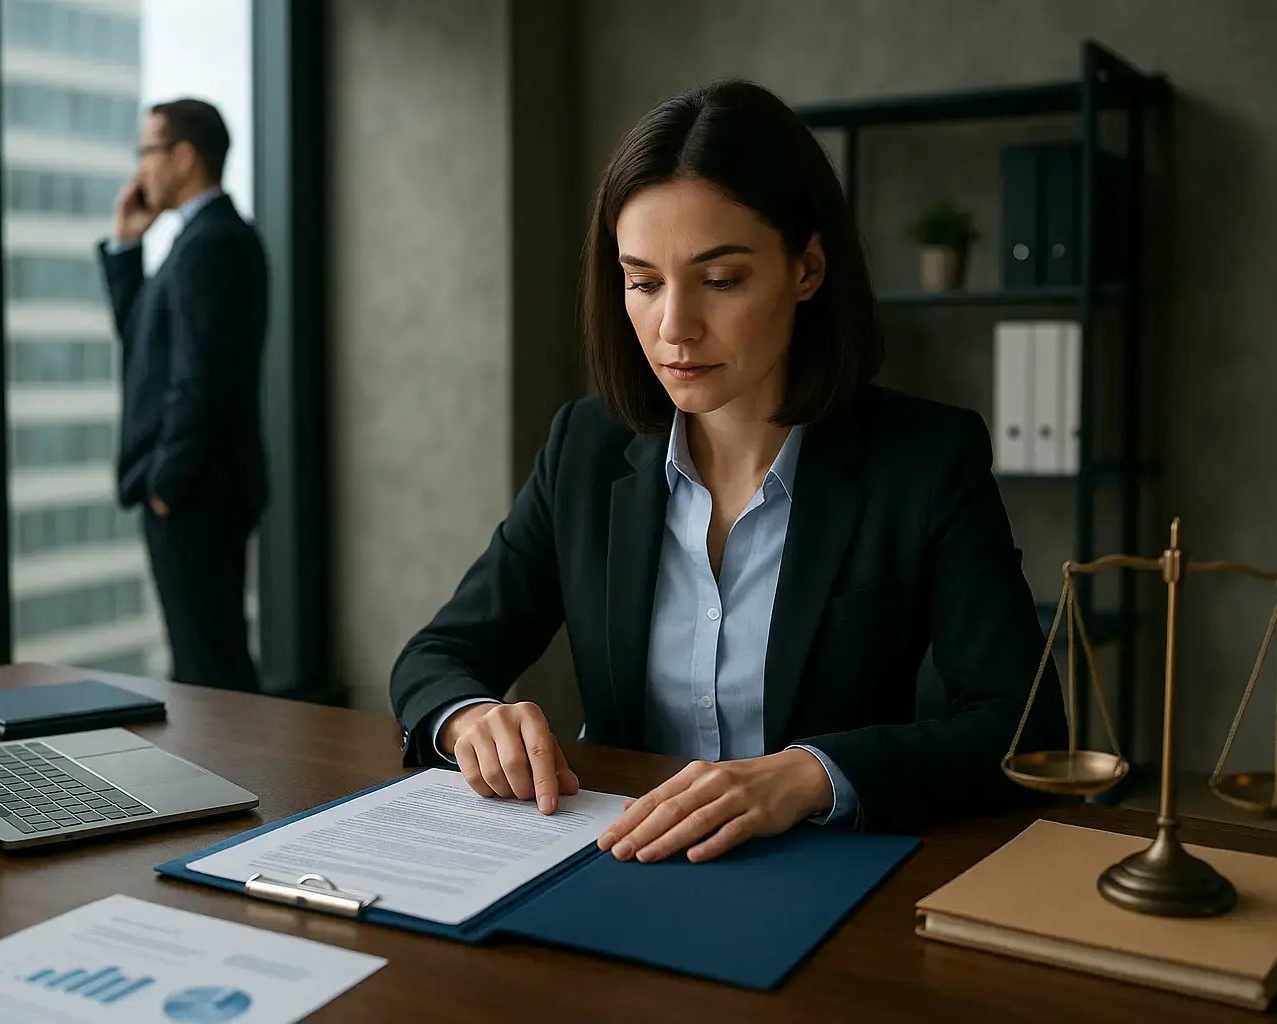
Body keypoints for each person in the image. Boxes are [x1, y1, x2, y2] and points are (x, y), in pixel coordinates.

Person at [390, 80, 1066, 859]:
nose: (674, 327)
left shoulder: (924, 459)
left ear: (807, 268)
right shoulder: (585, 445)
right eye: (643, 283)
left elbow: (1024, 726)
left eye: (721, 280)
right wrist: (470, 717)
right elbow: (436, 657)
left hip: (825, 868)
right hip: (618, 859)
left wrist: (810, 774)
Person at [99, 98, 269, 692]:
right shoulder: (196, 240)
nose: (139, 167)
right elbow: (145, 349)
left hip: (196, 493)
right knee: (203, 665)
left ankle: (242, 783)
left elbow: (202, 380)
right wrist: (126, 247)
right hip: (195, 489)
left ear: (184, 155)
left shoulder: (213, 243)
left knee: (210, 672)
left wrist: (167, 485)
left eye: (146, 151)